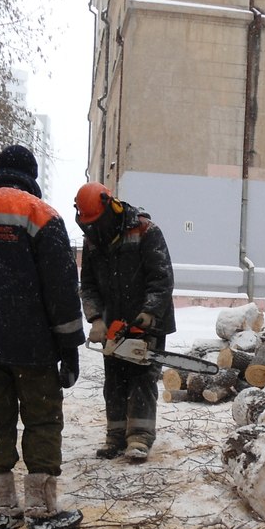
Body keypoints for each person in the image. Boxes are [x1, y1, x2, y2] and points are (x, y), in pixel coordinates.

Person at [0, 144, 86, 529]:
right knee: (42, 418)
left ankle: (2, 510)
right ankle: (42, 511)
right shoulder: (40, 214)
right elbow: (61, 287)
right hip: (33, 343)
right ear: (32, 175)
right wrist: (68, 344)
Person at [74, 182, 176, 462]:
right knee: (114, 380)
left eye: (97, 221)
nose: (94, 227)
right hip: (113, 320)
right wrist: (95, 318)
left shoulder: (145, 231)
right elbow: (89, 284)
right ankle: (115, 435)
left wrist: (150, 311)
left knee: (142, 379)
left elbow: (162, 277)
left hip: (147, 320)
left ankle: (140, 437)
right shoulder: (93, 238)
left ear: (111, 207)